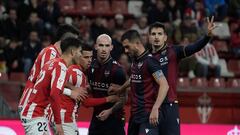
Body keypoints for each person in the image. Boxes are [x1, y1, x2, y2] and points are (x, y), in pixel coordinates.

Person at [147, 16, 216, 134]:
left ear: (165, 37)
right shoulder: (146, 58)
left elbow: (194, 48)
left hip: (170, 106)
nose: (156, 37)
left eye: (160, 34)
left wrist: (207, 36)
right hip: (150, 106)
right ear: (149, 37)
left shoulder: (174, 51)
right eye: (153, 34)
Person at [20, 37, 82, 135]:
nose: (81, 55)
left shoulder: (52, 62)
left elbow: (50, 89)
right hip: (34, 114)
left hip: (37, 113)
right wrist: (58, 124)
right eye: (80, 51)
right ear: (72, 52)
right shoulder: (61, 67)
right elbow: (54, 95)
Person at [19, 24, 86, 112]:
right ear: (65, 40)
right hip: (31, 104)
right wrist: (71, 90)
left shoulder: (59, 57)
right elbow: (48, 81)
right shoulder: (50, 52)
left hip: (40, 106)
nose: (76, 47)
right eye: (74, 42)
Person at [60, 44, 120, 135]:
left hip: (65, 117)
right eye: (86, 57)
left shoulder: (73, 71)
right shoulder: (77, 74)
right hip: (66, 119)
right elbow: (86, 102)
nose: (89, 61)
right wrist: (108, 99)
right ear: (78, 57)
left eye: (91, 57)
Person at [120, 30, 169, 135]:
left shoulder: (150, 61)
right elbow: (133, 78)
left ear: (137, 43)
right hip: (135, 115)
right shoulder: (135, 60)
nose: (125, 51)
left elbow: (164, 85)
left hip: (148, 115)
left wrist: (156, 108)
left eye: (127, 47)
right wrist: (120, 89)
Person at [87, 34, 127, 135]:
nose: (104, 49)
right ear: (96, 46)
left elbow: (124, 98)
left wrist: (110, 111)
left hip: (115, 120)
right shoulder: (89, 67)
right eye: (101, 45)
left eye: (106, 45)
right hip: (96, 119)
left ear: (111, 47)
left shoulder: (117, 70)